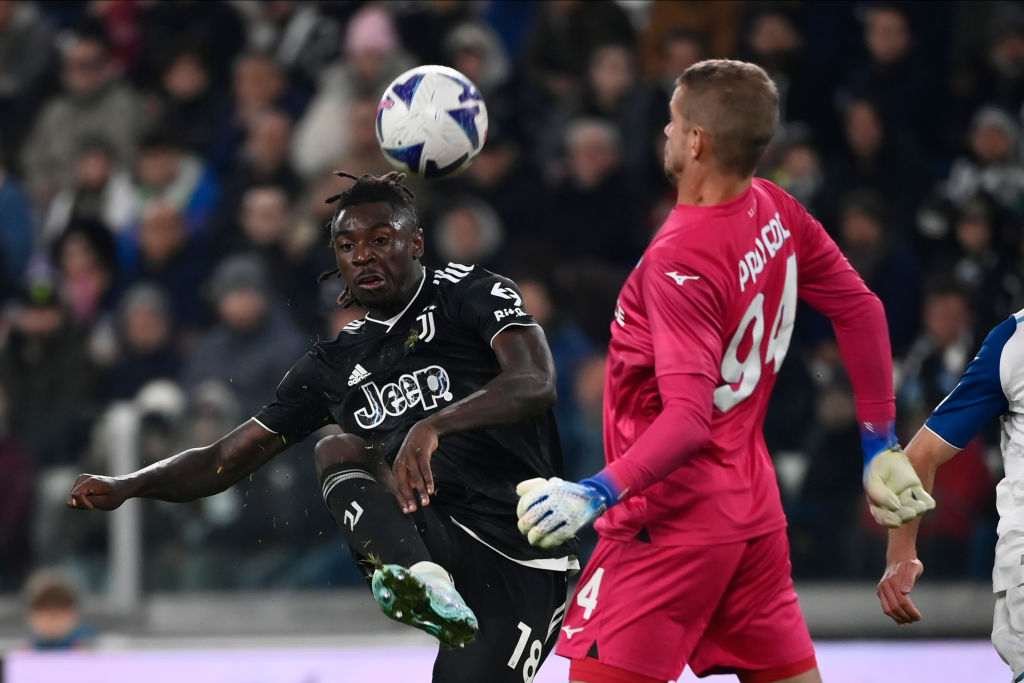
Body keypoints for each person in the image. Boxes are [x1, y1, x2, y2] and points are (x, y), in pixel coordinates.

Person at [516, 59, 933, 683]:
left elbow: (688, 421)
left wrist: (596, 491)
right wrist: (879, 442)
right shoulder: (774, 208)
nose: (664, 129)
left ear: (696, 141)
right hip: (752, 515)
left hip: (668, 525)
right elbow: (861, 308)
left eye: (673, 118)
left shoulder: (678, 260)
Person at [68, 171, 575, 683]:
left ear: (417, 243)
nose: (363, 256)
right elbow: (223, 459)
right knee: (337, 448)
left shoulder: (467, 290)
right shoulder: (331, 365)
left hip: (520, 553)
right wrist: (130, 484)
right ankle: (422, 583)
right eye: (347, 245)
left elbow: (536, 381)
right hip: (432, 535)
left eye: (381, 240)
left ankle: (429, 584)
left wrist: (433, 425)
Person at [877, 308, 1024, 681]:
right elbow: (919, 456)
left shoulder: (1013, 342)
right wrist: (900, 552)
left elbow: (919, 455)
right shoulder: (1013, 344)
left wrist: (901, 554)